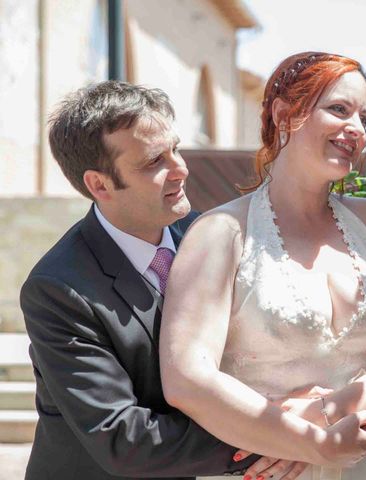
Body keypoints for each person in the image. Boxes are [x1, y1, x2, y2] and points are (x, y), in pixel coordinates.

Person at [20, 81, 345, 479]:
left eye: (175, 148)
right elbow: (123, 438)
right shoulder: (58, 290)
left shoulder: (215, 232)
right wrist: (277, 433)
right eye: (154, 161)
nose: (180, 169)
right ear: (99, 184)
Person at [160, 52, 366, 480]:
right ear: (285, 114)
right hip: (263, 466)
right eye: (339, 109)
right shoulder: (221, 232)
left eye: (363, 116)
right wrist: (305, 442)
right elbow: (186, 379)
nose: (356, 129)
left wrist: (325, 413)